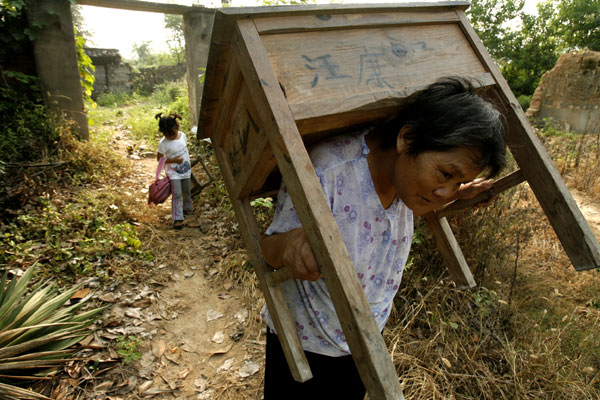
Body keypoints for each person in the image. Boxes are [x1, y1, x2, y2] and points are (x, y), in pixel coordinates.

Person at [259, 77, 507, 399]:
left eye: (459, 182)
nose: (445, 190)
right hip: (305, 346)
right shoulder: (328, 171)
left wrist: (457, 195)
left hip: (365, 341)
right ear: (408, 138)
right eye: (447, 174)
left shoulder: (409, 183)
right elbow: (268, 248)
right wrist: (291, 245)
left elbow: (379, 215)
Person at [155, 113, 193, 229]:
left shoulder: (183, 136)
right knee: (177, 194)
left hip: (186, 171)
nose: (170, 137)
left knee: (187, 191)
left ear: (177, 127)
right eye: (167, 134)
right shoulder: (163, 143)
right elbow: (159, 159)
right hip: (173, 173)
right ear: (163, 132)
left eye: (173, 133)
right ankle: (177, 218)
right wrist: (173, 160)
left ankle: (187, 208)